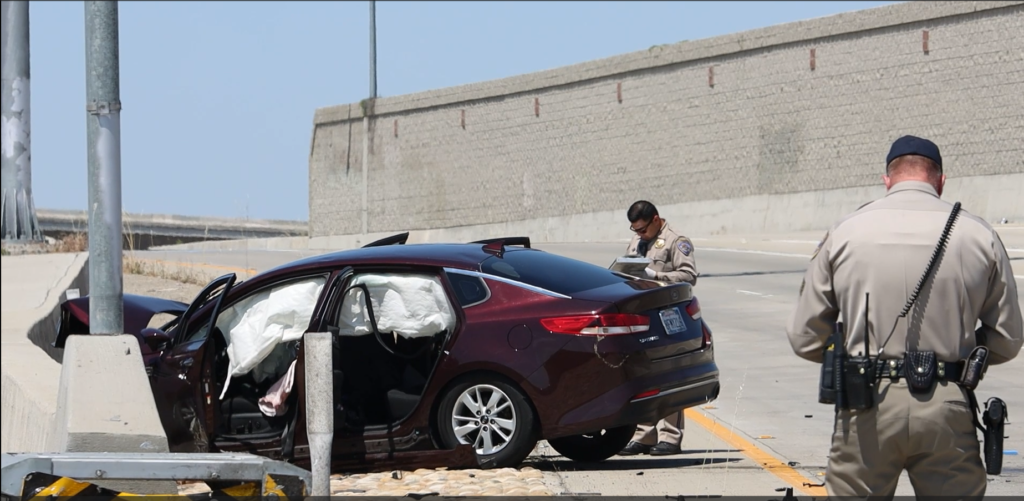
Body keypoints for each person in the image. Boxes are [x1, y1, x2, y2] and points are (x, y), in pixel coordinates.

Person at [786, 135, 1023, 497]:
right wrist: (962, 354)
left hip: (866, 400)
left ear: (887, 180)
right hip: (948, 403)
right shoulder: (979, 234)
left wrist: (847, 354)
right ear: (940, 181)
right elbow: (1007, 339)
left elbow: (804, 337)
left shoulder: (846, 231)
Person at [617, 200, 698, 456]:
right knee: (643, 375)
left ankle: (670, 438)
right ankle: (644, 436)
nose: (639, 235)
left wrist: (657, 276)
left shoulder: (676, 241)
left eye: (642, 229)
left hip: (669, 315)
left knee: (670, 375)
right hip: (642, 315)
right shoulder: (636, 242)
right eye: (635, 230)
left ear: (655, 220)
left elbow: (689, 275)